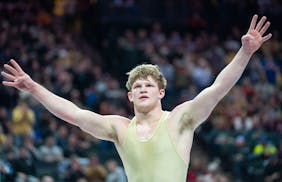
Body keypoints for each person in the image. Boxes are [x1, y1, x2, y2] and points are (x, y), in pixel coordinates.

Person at [1, 15, 272, 182]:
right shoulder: (119, 128)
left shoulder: (180, 119)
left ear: (161, 93)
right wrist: (34, 88)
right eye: (137, 86)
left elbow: (217, 89)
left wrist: (245, 53)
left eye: (149, 85)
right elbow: (73, 114)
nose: (143, 89)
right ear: (130, 96)